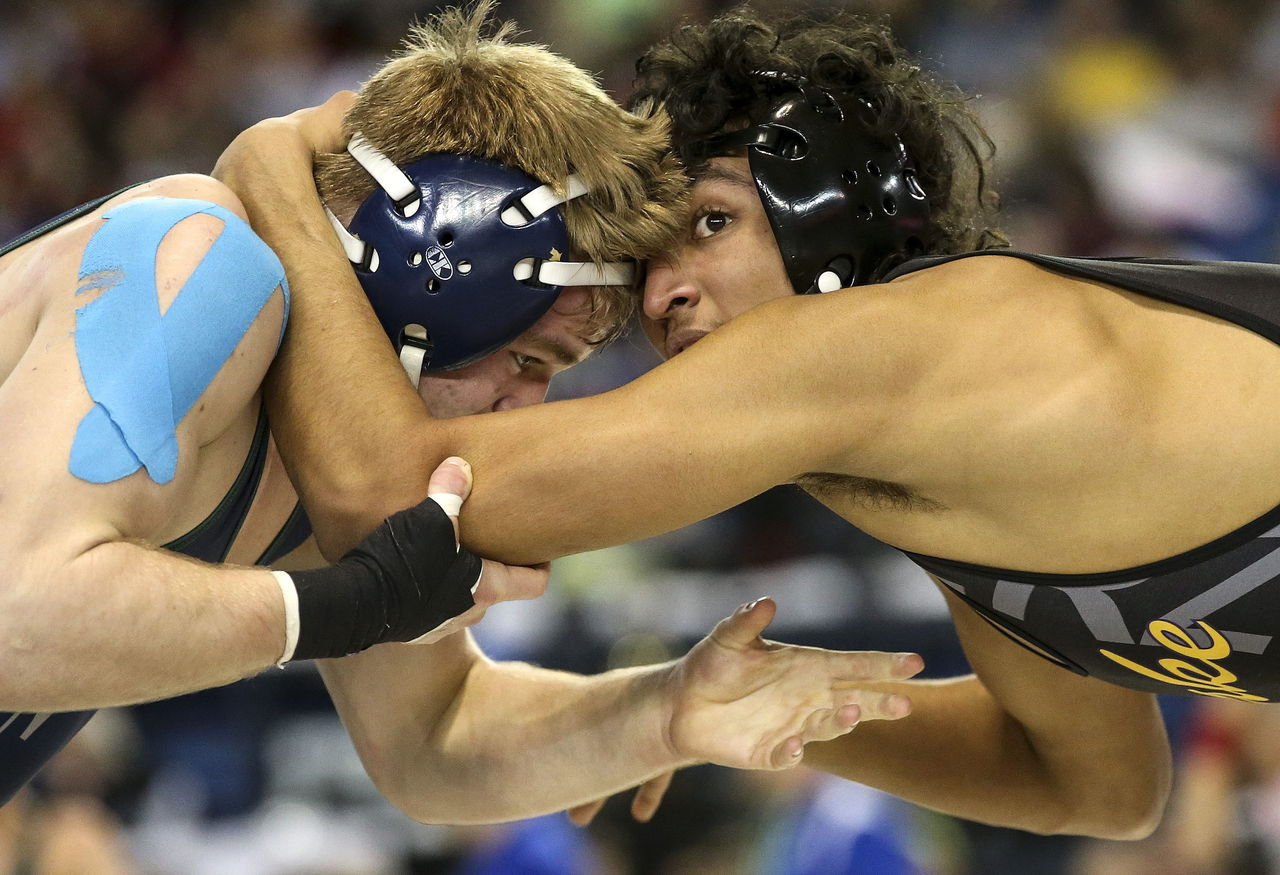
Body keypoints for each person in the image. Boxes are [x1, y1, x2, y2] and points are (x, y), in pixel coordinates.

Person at [225, 4, 1280, 842]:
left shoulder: (884, 342)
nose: (661, 295)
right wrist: (716, 702)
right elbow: (1093, 784)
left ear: (830, 207)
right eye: (648, 268)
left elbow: (385, 496)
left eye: (709, 223)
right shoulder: (964, 473)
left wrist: (275, 174)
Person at [0, 5, 924, 813]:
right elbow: (16, 613)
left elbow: (431, 740)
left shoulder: (333, 442)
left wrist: (668, 712)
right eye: (529, 357)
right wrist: (351, 604)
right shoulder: (199, 256)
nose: (524, 408)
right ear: (435, 262)